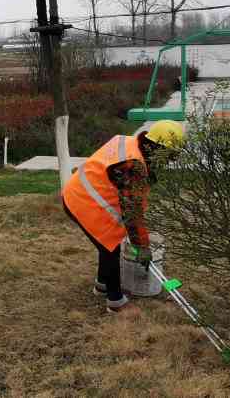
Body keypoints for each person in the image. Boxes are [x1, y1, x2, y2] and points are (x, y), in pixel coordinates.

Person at [62, 120, 184, 314]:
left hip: (78, 193)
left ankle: (102, 285)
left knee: (107, 245)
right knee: (110, 249)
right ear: (159, 149)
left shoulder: (129, 143)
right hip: (84, 203)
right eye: (169, 156)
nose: (169, 161)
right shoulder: (132, 166)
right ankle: (115, 302)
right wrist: (142, 247)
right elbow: (132, 213)